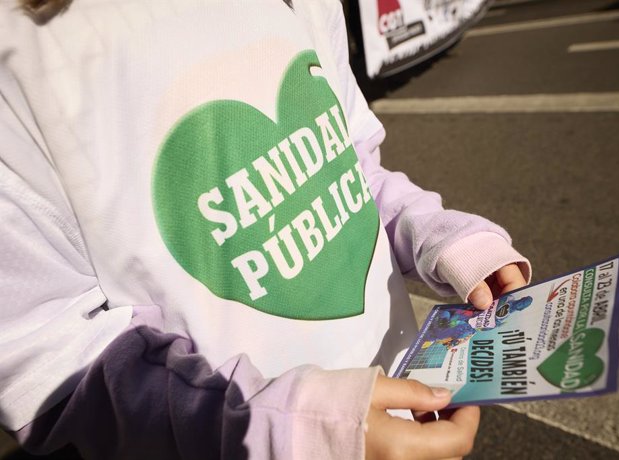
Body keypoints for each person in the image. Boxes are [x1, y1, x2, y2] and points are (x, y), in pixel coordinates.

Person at [0, 0, 531, 458]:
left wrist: (438, 233)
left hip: (402, 401)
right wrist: (271, 428)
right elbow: (47, 364)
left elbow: (351, 166)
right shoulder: (18, 58)